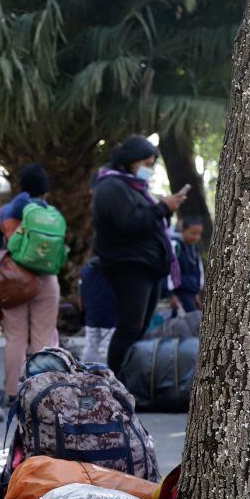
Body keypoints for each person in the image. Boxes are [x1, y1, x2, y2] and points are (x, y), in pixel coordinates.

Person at [92, 134, 188, 371]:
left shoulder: (135, 188)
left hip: (148, 266)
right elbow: (129, 223)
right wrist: (162, 207)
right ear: (130, 161)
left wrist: (165, 209)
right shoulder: (111, 187)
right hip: (130, 265)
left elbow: (148, 222)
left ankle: (128, 376)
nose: (149, 170)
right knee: (129, 326)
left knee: (140, 327)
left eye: (152, 165)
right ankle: (115, 379)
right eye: (146, 164)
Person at [0, 164, 61, 397]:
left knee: (15, 337)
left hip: (14, 279)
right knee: (43, 338)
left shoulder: (7, 211)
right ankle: (43, 390)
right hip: (46, 279)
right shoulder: (51, 213)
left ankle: (13, 392)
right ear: (46, 190)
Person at [0, 164, 52, 253]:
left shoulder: (3, 212)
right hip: (47, 264)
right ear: (45, 193)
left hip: (13, 264)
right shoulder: (51, 213)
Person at [79, 257, 118, 364]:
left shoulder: (85, 269)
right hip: (111, 316)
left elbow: (81, 296)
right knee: (107, 348)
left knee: (90, 346)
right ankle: (107, 374)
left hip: (91, 316)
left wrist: (83, 311)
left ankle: (87, 372)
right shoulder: (115, 270)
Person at [171, 216, 205, 314]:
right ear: (183, 230)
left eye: (199, 234)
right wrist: (170, 295)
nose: (197, 237)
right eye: (193, 233)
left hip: (190, 294)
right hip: (179, 294)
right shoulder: (175, 246)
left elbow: (197, 271)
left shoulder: (193, 249)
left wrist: (195, 294)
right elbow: (169, 272)